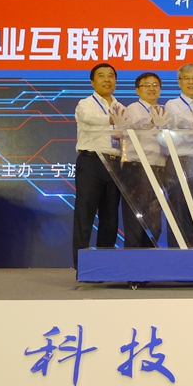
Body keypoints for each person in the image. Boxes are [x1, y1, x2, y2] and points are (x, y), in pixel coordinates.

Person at [72, 63, 124, 268]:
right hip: (91, 162)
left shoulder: (121, 107)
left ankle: (104, 265)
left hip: (115, 164)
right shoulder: (85, 104)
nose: (107, 79)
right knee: (85, 215)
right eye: (101, 76)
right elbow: (89, 118)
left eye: (111, 76)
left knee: (110, 218)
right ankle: (82, 267)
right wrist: (110, 119)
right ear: (93, 82)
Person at [118, 72, 169, 248]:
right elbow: (135, 124)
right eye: (147, 85)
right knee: (135, 220)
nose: (152, 89)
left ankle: (149, 259)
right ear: (137, 90)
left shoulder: (163, 111)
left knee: (154, 221)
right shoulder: (133, 109)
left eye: (155, 85)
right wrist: (152, 121)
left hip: (159, 168)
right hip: (137, 169)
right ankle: (133, 261)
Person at [163, 63, 193, 248]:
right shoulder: (172, 104)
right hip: (180, 161)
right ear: (179, 82)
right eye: (187, 78)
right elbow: (178, 120)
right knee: (179, 211)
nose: (191, 82)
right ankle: (177, 254)